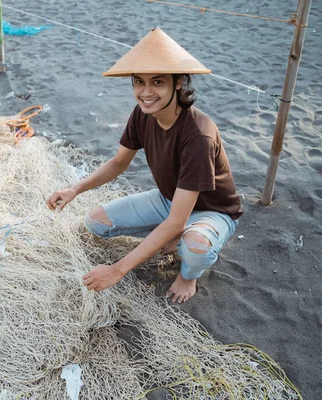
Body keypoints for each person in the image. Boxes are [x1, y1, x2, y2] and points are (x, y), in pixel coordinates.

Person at [46, 27, 242, 303]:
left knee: (195, 248)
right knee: (97, 223)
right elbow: (118, 163)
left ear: (178, 83)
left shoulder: (199, 135)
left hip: (213, 211)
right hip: (169, 199)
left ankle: (188, 275)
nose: (146, 92)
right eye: (139, 82)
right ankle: (172, 237)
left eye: (158, 82)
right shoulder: (142, 113)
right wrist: (74, 190)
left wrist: (117, 270)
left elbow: (176, 220)